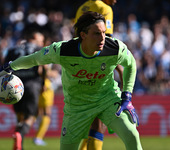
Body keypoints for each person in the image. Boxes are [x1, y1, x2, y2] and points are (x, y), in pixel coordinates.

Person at [0, 12, 143, 150]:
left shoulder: (115, 48)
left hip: (108, 100)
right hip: (77, 107)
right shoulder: (63, 50)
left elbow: (131, 64)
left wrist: (127, 96)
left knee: (132, 134)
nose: (103, 38)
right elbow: (35, 58)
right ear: (83, 35)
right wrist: (11, 66)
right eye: (96, 33)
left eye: (104, 32)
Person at [75, 1, 123, 149]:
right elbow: (104, 40)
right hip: (97, 67)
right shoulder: (104, 8)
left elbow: (77, 36)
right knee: (98, 120)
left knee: (88, 119)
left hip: (79, 64)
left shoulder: (83, 7)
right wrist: (119, 68)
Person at [2, 27, 45, 150]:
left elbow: (5, 68)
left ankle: (19, 144)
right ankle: (19, 134)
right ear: (32, 38)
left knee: (20, 117)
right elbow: (42, 69)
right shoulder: (38, 49)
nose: (41, 43)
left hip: (14, 86)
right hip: (32, 84)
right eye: (40, 40)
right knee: (31, 115)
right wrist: (42, 85)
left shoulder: (12, 49)